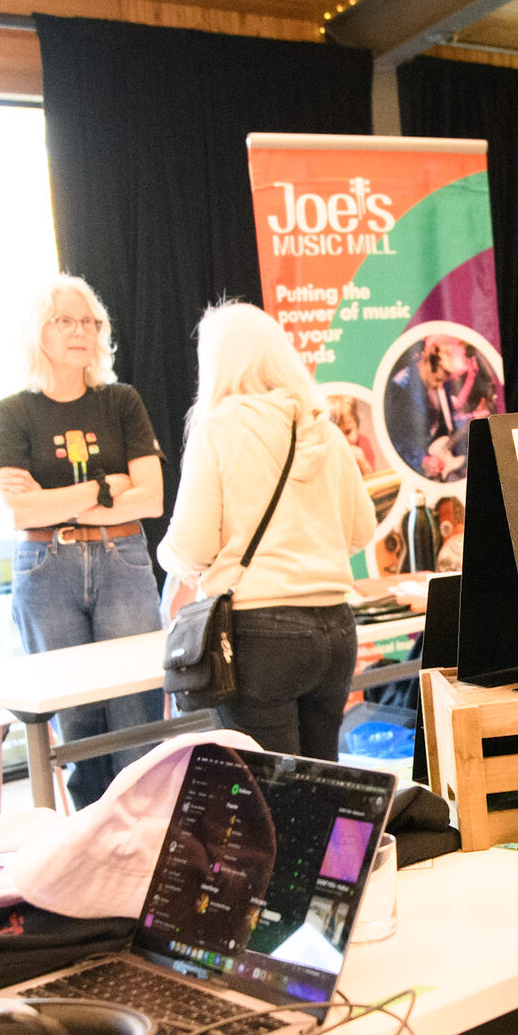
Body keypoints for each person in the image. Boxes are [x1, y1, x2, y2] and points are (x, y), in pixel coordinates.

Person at [159, 303, 375, 759]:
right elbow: (361, 530)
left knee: (270, 795)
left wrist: (169, 558)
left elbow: (193, 547)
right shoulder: (326, 432)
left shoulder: (217, 430)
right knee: (322, 782)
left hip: (260, 634)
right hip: (336, 627)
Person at [0, 275, 165, 806]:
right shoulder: (12, 413)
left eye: (89, 322)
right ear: (38, 331)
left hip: (122, 558)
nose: (80, 331)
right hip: (45, 564)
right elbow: (20, 508)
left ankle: (147, 833)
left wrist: (55, 496)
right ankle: (92, 837)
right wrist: (104, 488)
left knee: (137, 706)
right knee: (77, 720)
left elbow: (151, 498)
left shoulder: (121, 402)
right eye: (66, 320)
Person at [382, 335, 476, 480]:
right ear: (428, 361)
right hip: (415, 475)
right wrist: (422, 461)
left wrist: (472, 418)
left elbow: (447, 423)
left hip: (439, 464)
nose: (440, 385)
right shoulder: (401, 386)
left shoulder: (441, 384)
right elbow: (397, 438)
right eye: (440, 378)